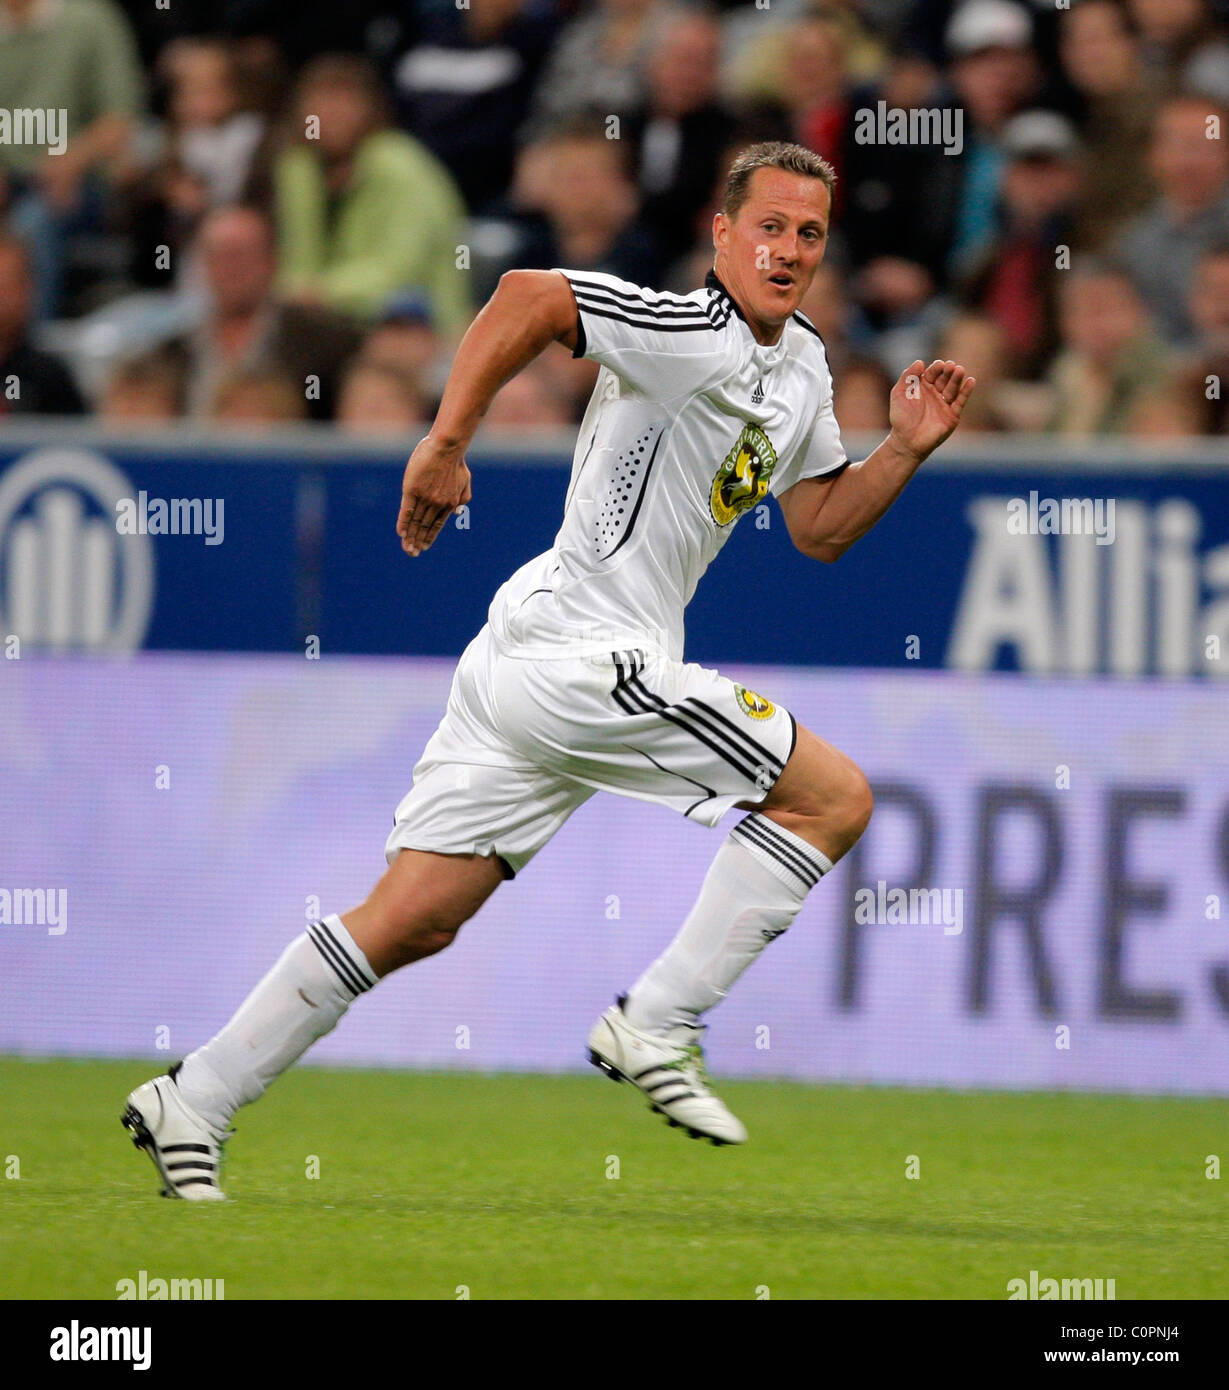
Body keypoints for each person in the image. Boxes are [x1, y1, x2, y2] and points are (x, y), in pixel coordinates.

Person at [121, 141, 975, 1199]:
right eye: (768, 225)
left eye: (808, 232)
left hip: (538, 655)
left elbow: (819, 529)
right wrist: (444, 439)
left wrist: (901, 448)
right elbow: (527, 294)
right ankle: (655, 1022)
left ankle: (191, 1098)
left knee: (416, 915)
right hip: (583, 657)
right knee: (833, 797)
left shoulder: (799, 365)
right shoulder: (685, 327)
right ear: (720, 234)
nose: (788, 248)